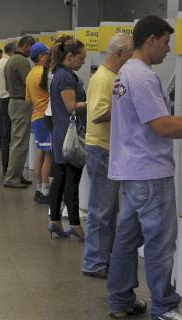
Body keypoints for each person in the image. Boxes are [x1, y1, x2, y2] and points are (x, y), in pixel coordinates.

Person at [107, 16, 182, 320]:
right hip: (151, 173)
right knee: (160, 244)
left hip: (131, 171)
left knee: (126, 241)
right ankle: (164, 307)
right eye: (165, 43)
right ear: (151, 39)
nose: (167, 50)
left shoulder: (125, 72)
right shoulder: (143, 77)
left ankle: (121, 301)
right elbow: (162, 126)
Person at [82, 33, 133, 280]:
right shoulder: (104, 79)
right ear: (119, 52)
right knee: (101, 210)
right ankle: (94, 262)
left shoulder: (110, 76)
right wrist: (128, 105)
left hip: (105, 149)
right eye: (131, 52)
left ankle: (102, 258)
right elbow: (98, 114)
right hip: (102, 150)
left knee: (107, 209)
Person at [47, 36, 86, 241]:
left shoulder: (59, 74)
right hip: (70, 135)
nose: (84, 62)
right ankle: (75, 224)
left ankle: (55, 220)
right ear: (70, 56)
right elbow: (71, 106)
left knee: (61, 178)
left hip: (61, 132)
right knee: (72, 179)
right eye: (81, 58)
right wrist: (94, 102)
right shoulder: (66, 77)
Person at [3, 35, 36, 188]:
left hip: (14, 102)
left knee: (17, 141)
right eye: (32, 48)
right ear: (27, 45)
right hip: (21, 103)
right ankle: (12, 177)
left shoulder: (11, 59)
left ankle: (16, 174)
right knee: (20, 142)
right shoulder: (22, 61)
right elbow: (28, 82)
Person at [26, 42, 52, 204]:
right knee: (49, 155)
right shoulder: (45, 73)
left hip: (36, 116)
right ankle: (46, 191)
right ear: (41, 56)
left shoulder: (30, 74)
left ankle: (39, 188)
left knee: (40, 154)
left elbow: (28, 99)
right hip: (45, 118)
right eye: (48, 55)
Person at [0, 41, 16, 175]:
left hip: (2, 98)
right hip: (10, 98)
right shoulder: (9, 64)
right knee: (12, 136)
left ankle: (5, 166)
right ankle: (9, 167)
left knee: (6, 134)